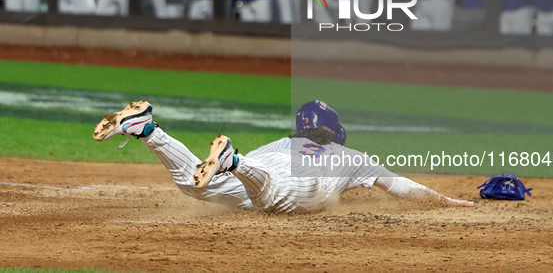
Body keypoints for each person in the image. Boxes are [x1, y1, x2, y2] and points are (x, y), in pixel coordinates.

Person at [94, 100, 474, 213]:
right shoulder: (349, 154)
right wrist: (442, 200)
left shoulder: (282, 141)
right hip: (293, 183)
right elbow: (400, 186)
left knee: (194, 185)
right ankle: (232, 161)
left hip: (258, 170)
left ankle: (148, 130)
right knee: (273, 194)